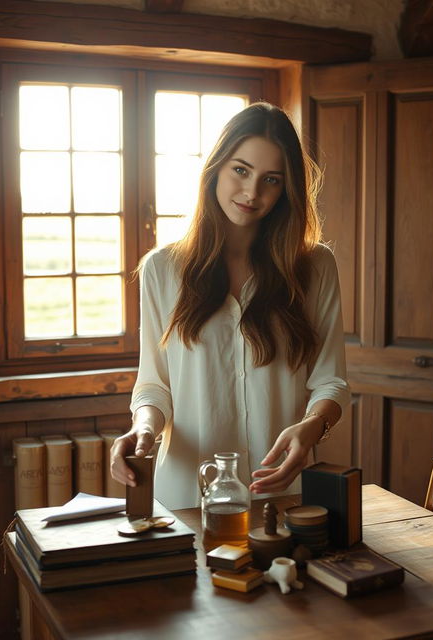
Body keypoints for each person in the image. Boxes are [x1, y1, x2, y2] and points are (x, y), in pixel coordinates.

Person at [110, 102, 350, 510]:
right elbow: (154, 384)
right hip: (187, 496)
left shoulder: (314, 267)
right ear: (215, 168)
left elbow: (331, 381)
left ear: (286, 189)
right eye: (241, 170)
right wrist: (144, 428)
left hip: (280, 494)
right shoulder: (163, 269)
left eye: (271, 179)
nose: (252, 193)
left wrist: (311, 428)